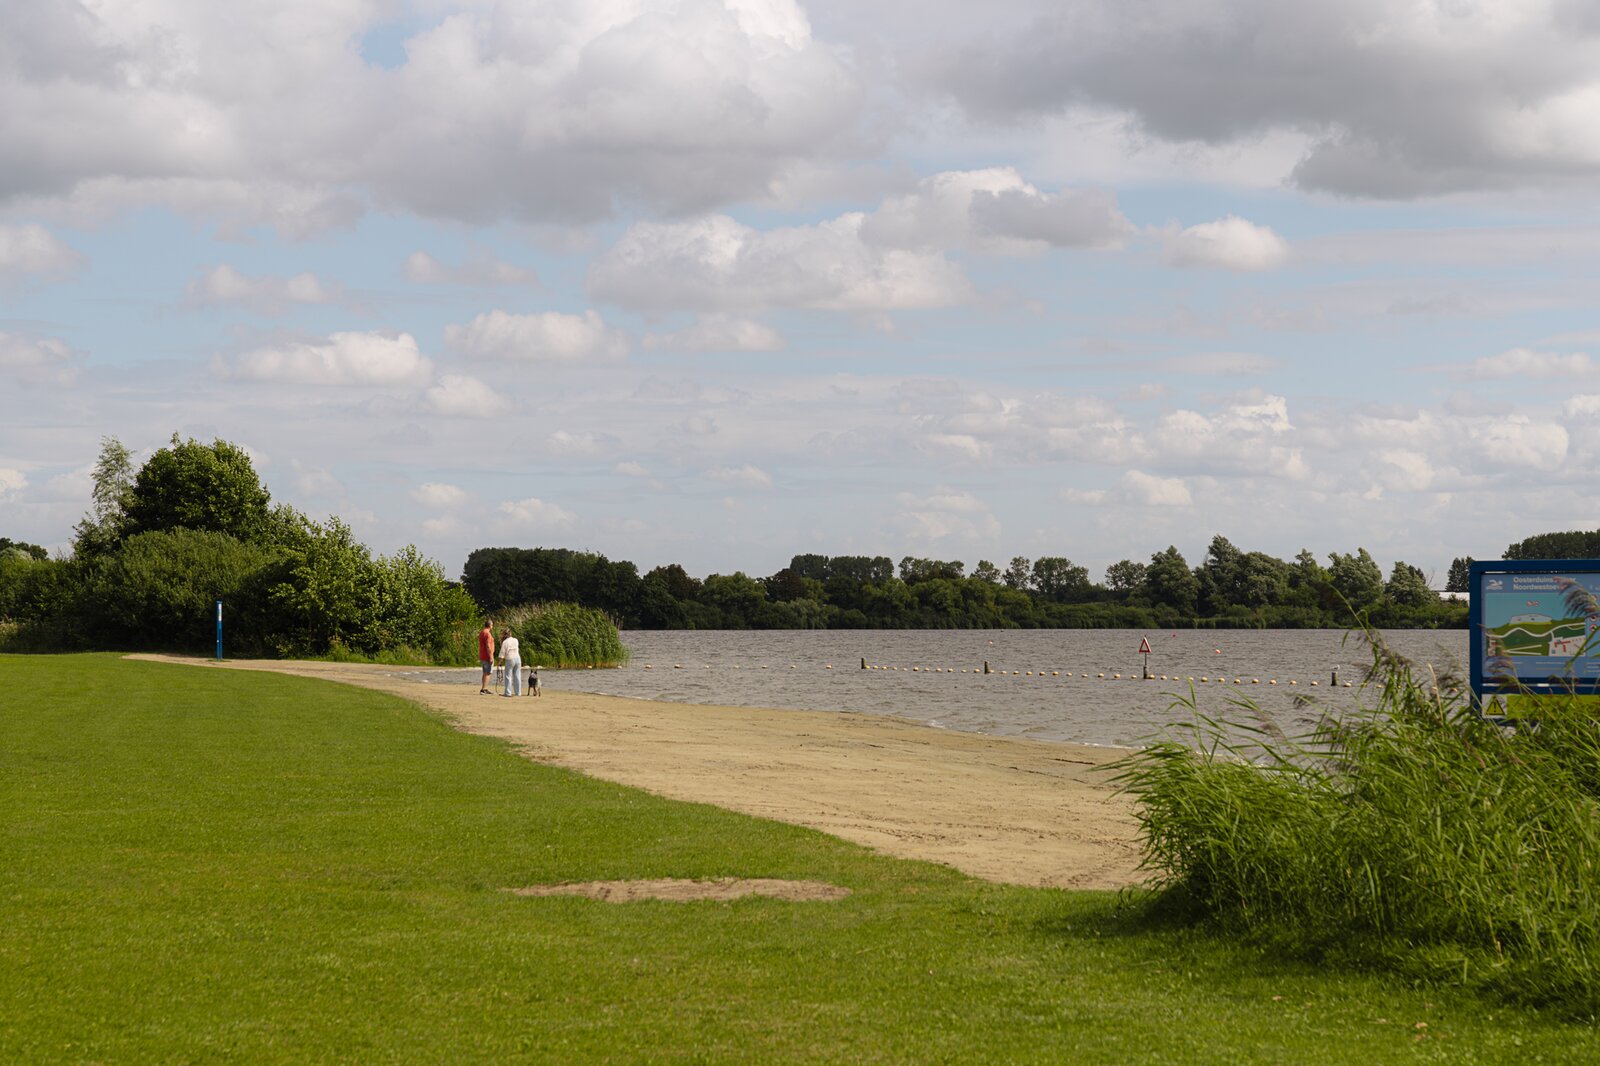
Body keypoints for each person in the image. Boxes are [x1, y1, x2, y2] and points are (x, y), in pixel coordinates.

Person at [498, 627, 522, 697]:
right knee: (517, 676)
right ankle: (518, 693)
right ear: (510, 633)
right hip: (517, 658)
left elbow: (502, 653)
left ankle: (508, 693)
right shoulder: (515, 640)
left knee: (508, 676)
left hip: (510, 659)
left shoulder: (505, 642)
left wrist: (499, 662)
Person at [478, 618, 496, 694]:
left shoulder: (482, 632)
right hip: (487, 656)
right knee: (488, 672)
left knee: (485, 672)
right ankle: (484, 689)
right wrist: (491, 656)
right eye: (492, 625)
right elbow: (488, 645)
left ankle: (483, 688)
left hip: (482, 655)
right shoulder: (487, 633)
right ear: (490, 625)